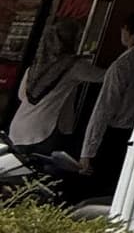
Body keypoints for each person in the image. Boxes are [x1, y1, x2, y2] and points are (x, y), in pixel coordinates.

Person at [76, 10, 134, 194]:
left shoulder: (123, 64)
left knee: (97, 191)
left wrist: (88, 151)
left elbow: (104, 109)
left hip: (115, 136)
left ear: (130, 32)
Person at [8, 18, 97, 154]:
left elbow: (21, 96)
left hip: (18, 127)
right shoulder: (74, 66)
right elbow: (104, 76)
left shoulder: (35, 67)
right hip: (43, 131)